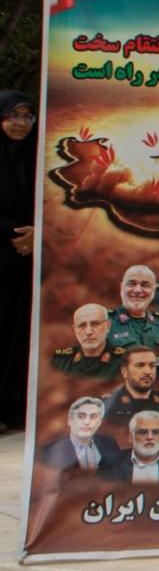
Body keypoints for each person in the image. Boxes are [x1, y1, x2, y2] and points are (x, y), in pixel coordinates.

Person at [0, 90, 34, 433]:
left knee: (20, 334)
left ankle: (16, 408)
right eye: (13, 116)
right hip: (3, 255)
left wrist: (37, 232)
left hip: (27, 263)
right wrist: (14, 233)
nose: (20, 123)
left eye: (26, 116)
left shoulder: (33, 156)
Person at [101, 346, 159, 434]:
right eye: (140, 365)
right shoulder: (107, 404)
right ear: (124, 371)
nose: (148, 371)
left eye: (152, 366)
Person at [102, 410, 159, 483]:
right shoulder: (110, 463)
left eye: (156, 432)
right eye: (143, 432)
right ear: (131, 437)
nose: (150, 437)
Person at [38, 396, 119, 474]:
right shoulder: (56, 453)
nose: (87, 422)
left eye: (93, 417)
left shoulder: (109, 443)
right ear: (70, 420)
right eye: (81, 416)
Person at [51, 304, 126, 380]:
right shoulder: (61, 361)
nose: (88, 332)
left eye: (95, 324)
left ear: (108, 326)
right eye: (82, 325)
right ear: (75, 330)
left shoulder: (125, 360)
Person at [108, 265, 159, 351]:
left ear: (154, 291)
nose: (137, 290)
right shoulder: (105, 322)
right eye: (131, 284)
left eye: (145, 285)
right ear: (121, 288)